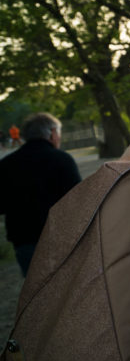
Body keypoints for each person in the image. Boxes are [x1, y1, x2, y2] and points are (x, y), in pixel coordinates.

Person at [0, 113, 82, 275]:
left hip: (25, 242)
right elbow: (79, 199)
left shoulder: (6, 164)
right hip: (61, 239)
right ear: (52, 133)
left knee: (39, 294)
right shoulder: (62, 159)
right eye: (58, 133)